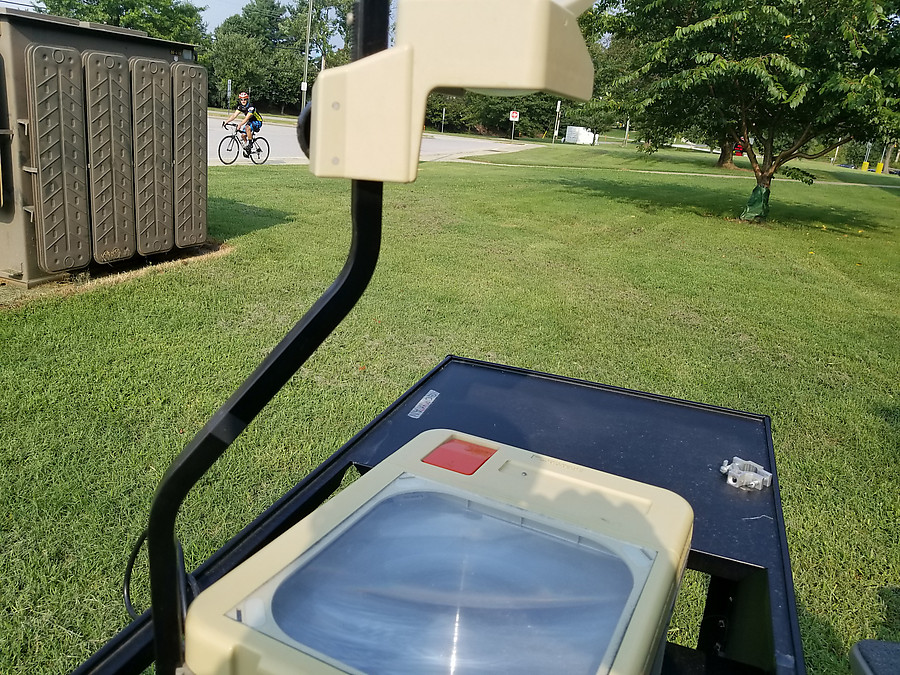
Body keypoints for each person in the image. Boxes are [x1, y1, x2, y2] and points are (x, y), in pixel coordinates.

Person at [223, 91, 263, 157]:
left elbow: (247, 118)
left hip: (257, 121)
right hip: (250, 121)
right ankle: (247, 149)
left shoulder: (251, 107)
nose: (243, 101)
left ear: (247, 99)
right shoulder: (240, 107)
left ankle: (250, 144)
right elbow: (234, 115)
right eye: (241, 99)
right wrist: (227, 122)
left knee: (247, 128)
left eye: (245, 99)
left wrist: (240, 124)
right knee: (243, 135)